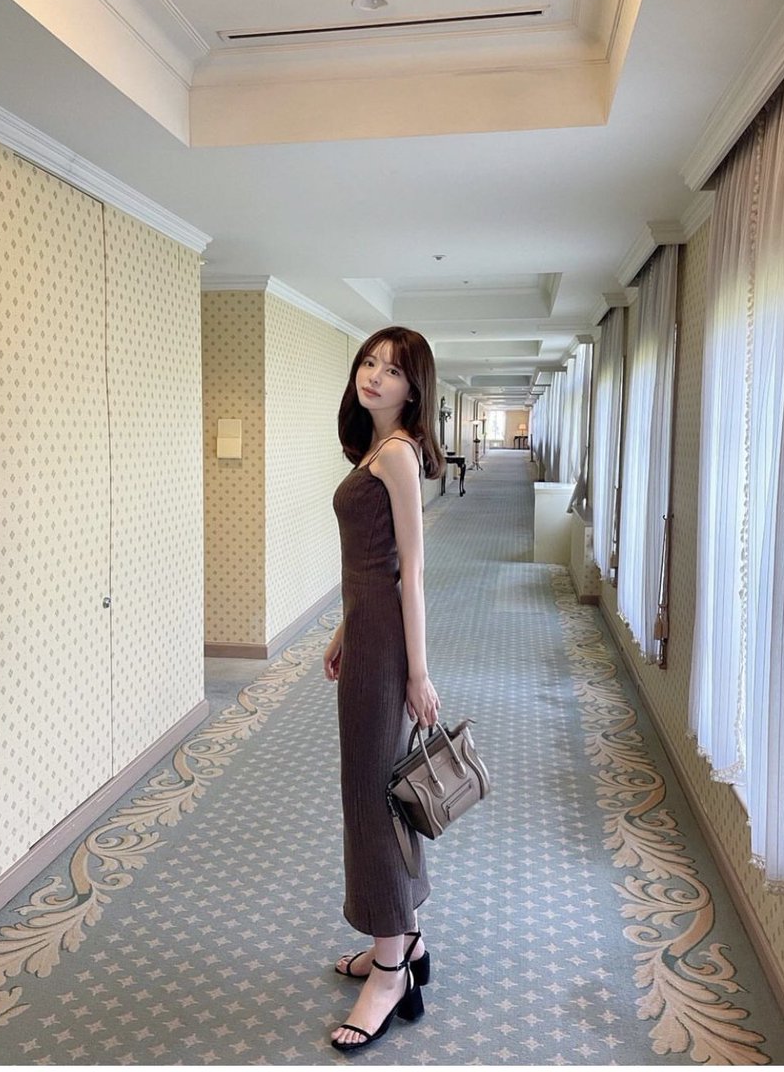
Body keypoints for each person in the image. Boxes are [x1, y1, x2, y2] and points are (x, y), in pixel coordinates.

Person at [324, 326, 444, 1052]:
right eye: (369, 362)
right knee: (373, 793)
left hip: (388, 647)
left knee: (372, 800)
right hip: (367, 632)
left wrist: (417, 672)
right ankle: (406, 938)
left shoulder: (397, 453)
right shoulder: (374, 450)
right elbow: (371, 567)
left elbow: (412, 571)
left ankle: (392, 968)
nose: (374, 376)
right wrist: (344, 629)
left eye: (392, 370)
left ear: (413, 388)